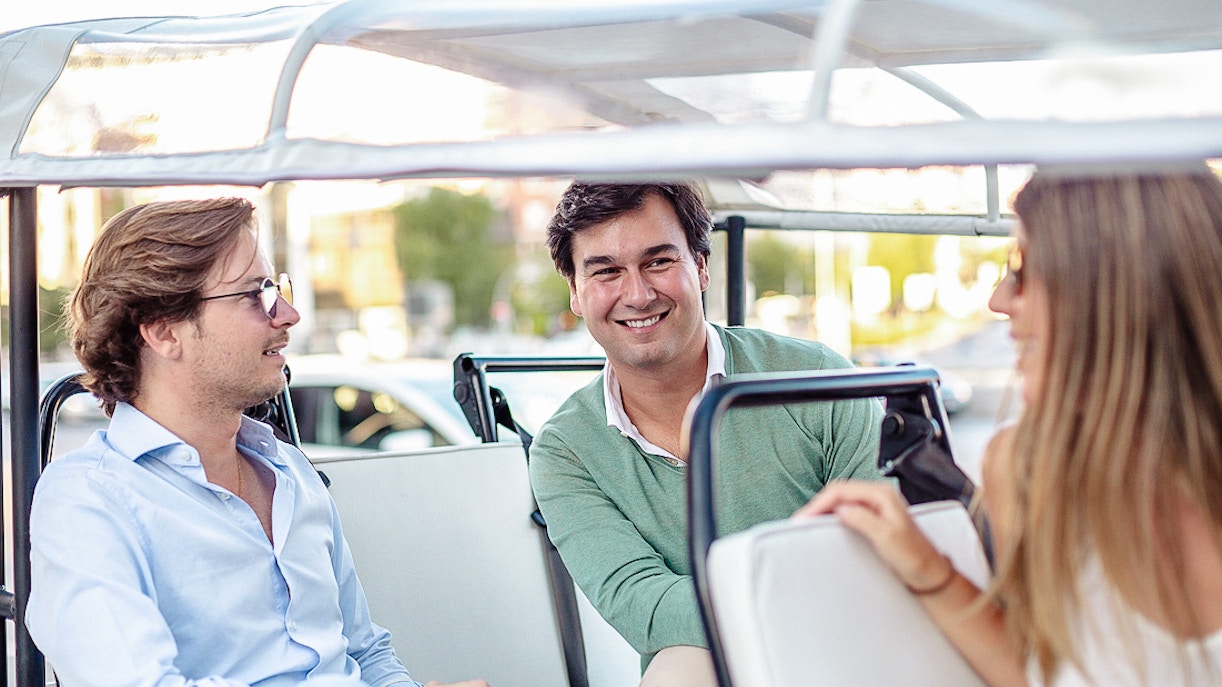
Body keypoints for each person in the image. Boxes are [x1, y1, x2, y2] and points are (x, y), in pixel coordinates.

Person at [26, 198, 488, 687]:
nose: (288, 314)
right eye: (254, 294)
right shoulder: (89, 500)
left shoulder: (290, 472)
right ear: (164, 331)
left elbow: (364, 652)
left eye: (276, 288)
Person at [798, 167, 1222, 686]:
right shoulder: (1025, 469)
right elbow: (1036, 674)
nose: (998, 301)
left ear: (1119, 291)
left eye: (1022, 272)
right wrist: (926, 567)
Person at [529, 181, 885, 685]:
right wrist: (786, 592)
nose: (637, 294)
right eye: (607, 271)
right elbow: (645, 607)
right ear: (576, 294)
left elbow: (879, 553)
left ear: (700, 267)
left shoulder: (818, 380)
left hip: (850, 643)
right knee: (679, 670)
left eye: (658, 262)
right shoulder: (566, 452)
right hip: (711, 658)